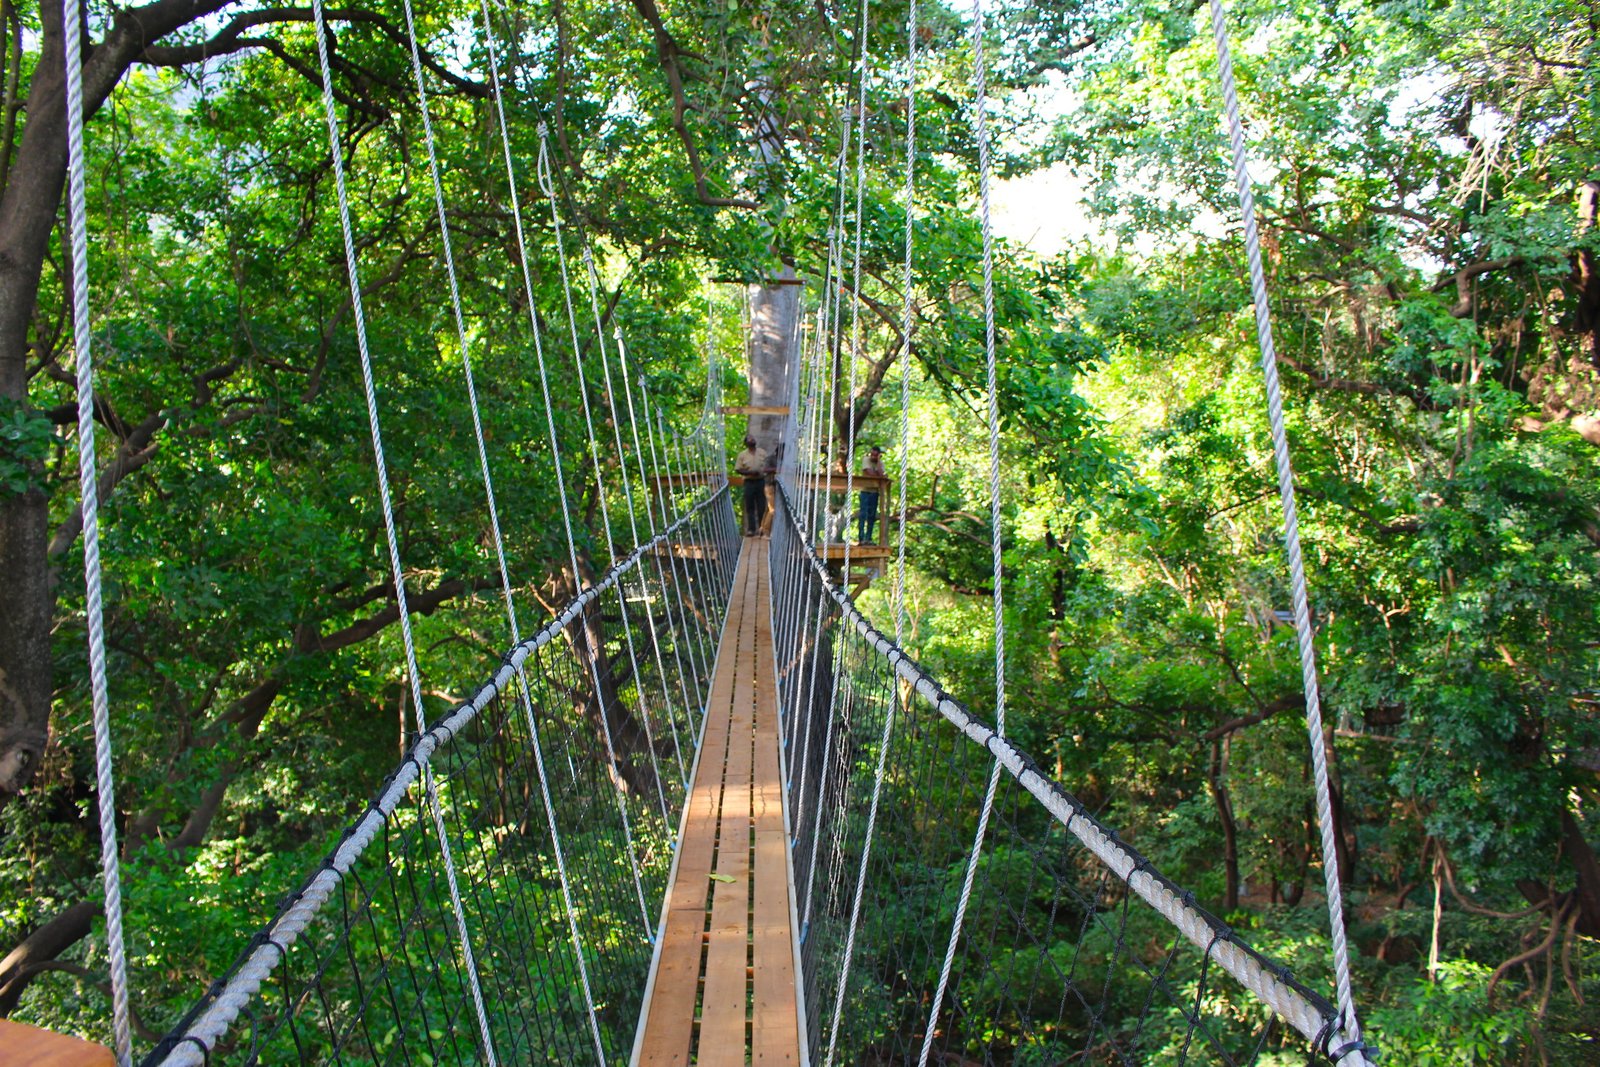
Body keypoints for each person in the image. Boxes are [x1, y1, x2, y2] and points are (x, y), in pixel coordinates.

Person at [734, 435, 767, 536]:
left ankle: (762, 529)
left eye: (753, 438)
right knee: (750, 506)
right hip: (749, 483)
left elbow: (768, 465)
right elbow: (738, 469)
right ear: (746, 443)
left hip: (761, 481)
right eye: (750, 439)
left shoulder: (762, 452)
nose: (752, 439)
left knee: (762, 506)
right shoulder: (742, 455)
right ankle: (751, 530)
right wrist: (749, 473)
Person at [858, 445, 885, 543]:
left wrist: (878, 462)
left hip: (875, 492)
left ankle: (868, 538)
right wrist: (878, 474)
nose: (873, 457)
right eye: (872, 455)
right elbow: (870, 473)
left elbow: (881, 475)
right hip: (865, 491)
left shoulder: (880, 463)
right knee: (863, 514)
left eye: (875, 455)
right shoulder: (866, 459)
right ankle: (861, 538)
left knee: (872, 516)